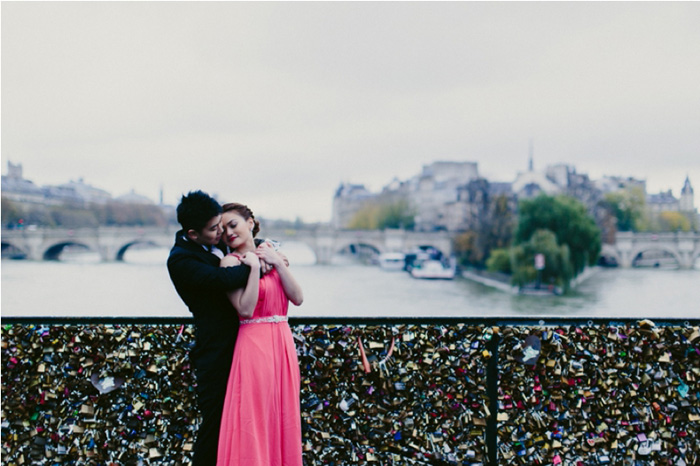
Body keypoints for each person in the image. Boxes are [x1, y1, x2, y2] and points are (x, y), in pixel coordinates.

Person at [167, 191, 252, 466]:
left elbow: (243, 251)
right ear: (193, 234)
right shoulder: (181, 261)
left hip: (246, 344)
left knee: (244, 421)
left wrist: (268, 251)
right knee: (215, 425)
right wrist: (261, 264)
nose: (221, 233)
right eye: (214, 228)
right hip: (216, 352)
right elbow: (222, 279)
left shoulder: (210, 244)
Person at [216, 203, 304, 466]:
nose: (229, 233)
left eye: (233, 225)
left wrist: (276, 261)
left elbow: (297, 298)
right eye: (222, 231)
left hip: (283, 343)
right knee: (254, 417)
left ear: (250, 222)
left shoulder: (274, 255)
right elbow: (245, 309)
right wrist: (253, 268)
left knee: (283, 415)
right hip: (254, 344)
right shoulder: (230, 262)